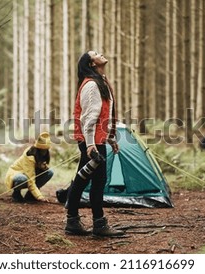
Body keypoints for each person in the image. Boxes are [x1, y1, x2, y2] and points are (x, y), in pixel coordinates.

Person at [64, 51, 124, 237]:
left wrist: (110, 137)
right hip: (91, 142)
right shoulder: (91, 84)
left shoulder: (99, 81)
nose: (102, 53)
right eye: (96, 53)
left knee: (83, 180)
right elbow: (89, 119)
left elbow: (105, 115)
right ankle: (98, 224)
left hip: (96, 140)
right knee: (97, 182)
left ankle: (73, 222)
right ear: (91, 64)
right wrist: (90, 146)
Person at [5, 132, 53, 203]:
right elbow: (31, 180)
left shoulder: (42, 155)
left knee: (49, 172)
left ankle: (30, 195)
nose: (44, 152)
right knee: (22, 179)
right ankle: (16, 194)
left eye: (46, 150)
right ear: (38, 149)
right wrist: (39, 196)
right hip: (16, 174)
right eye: (42, 150)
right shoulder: (30, 156)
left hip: (28, 175)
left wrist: (43, 168)